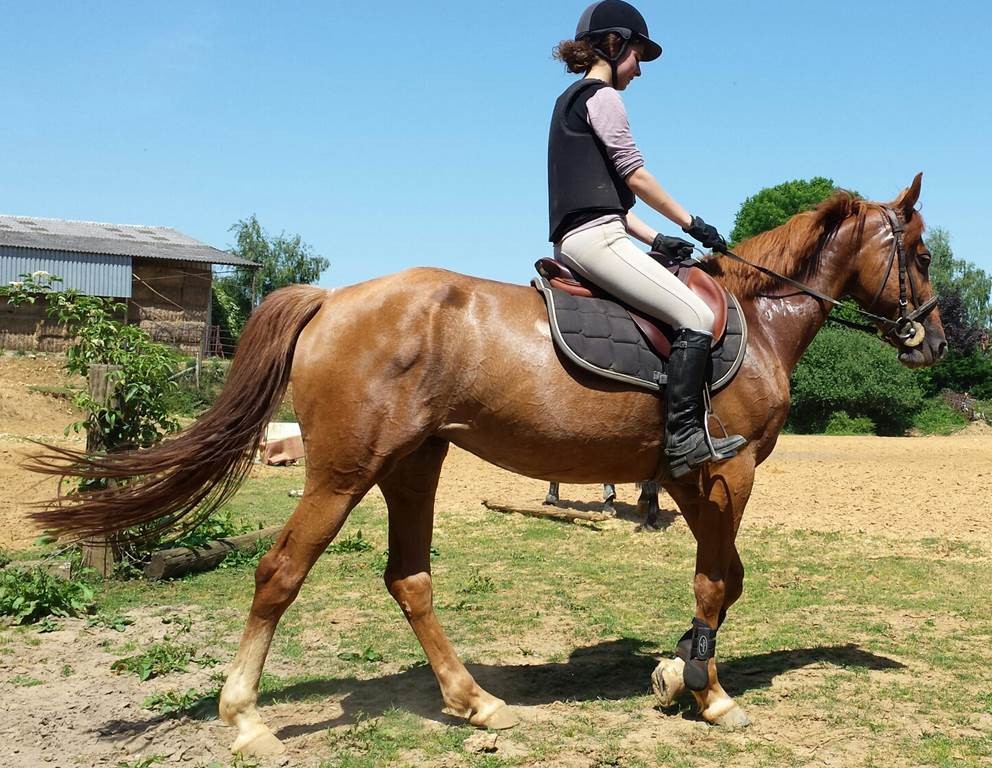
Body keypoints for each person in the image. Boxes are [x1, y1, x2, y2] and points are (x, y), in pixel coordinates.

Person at [548, 0, 746, 478]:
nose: (639, 70)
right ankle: (682, 440)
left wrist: (657, 239)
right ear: (612, 46)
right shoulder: (604, 97)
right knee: (695, 316)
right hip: (596, 241)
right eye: (637, 55)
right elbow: (635, 175)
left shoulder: (569, 102)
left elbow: (613, 205)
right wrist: (690, 222)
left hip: (591, 233)